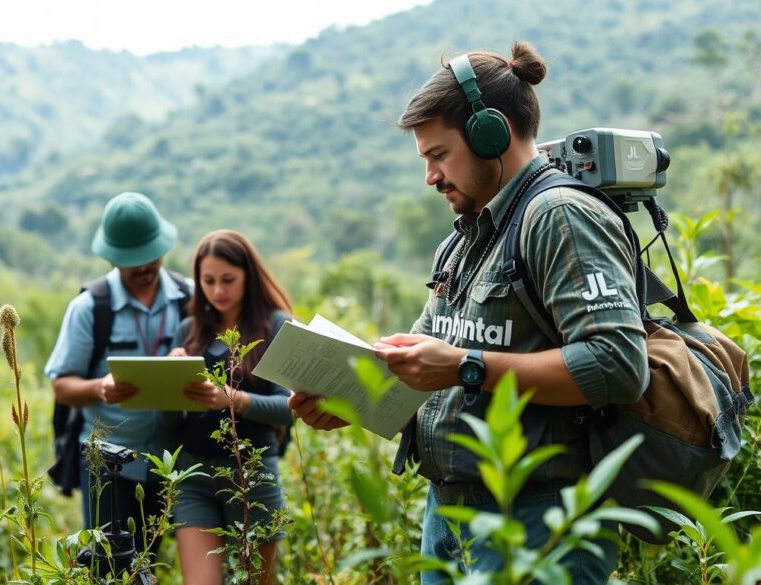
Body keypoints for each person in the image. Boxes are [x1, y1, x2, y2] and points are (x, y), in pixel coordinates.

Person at [289, 42, 648, 583]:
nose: (430, 177)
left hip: (539, 523)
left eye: (438, 155)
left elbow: (618, 364)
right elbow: (429, 370)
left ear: (491, 133)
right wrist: (356, 398)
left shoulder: (560, 217)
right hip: (450, 519)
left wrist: (466, 365)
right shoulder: (463, 240)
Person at [45, 191, 189, 554]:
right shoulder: (90, 308)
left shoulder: (190, 299)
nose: (143, 268)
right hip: (107, 465)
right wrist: (100, 388)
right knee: (109, 565)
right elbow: (62, 386)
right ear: (112, 258)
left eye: (150, 258)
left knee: (153, 564)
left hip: (173, 460)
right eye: (132, 261)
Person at [165, 229, 294, 585]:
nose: (218, 291)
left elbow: (289, 408)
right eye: (208, 281)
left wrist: (234, 400)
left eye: (228, 280)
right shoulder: (189, 330)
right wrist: (170, 375)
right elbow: (170, 417)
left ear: (248, 277)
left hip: (252, 475)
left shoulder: (275, 325)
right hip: (193, 476)